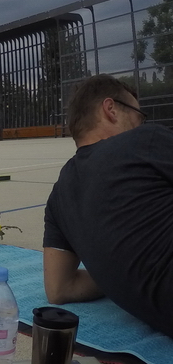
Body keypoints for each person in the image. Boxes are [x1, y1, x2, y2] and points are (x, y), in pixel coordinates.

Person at [43, 74, 173, 338]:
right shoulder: (144, 141)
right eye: (139, 115)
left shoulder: (59, 196)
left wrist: (119, 274)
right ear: (111, 109)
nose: (141, 123)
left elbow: (59, 289)